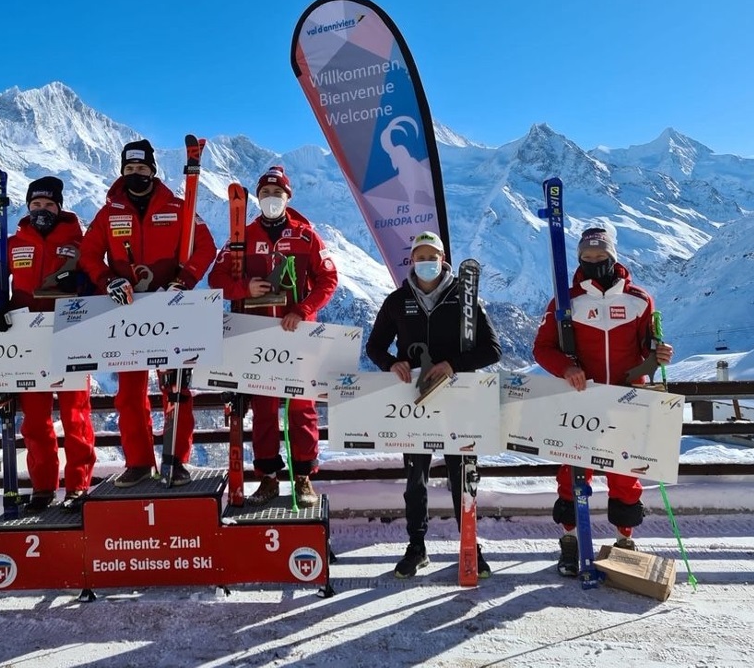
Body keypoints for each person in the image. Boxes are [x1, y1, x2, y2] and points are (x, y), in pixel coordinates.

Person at [532, 226, 675, 576]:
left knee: (626, 473)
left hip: (628, 398)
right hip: (583, 400)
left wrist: (658, 353)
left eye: (601, 257)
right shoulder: (566, 302)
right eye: (587, 258)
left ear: (613, 257)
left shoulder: (639, 299)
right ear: (580, 259)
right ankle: (570, 541)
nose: (594, 262)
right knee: (573, 474)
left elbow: (646, 345)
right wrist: (566, 368)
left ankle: (624, 540)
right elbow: (542, 348)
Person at [365, 231, 502, 579]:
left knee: (463, 476)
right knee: (416, 479)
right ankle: (417, 547)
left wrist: (453, 364)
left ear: (443, 259)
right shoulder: (397, 301)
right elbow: (375, 347)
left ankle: (470, 545)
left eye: (432, 255)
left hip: (458, 401)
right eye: (419, 256)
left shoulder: (463, 298)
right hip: (416, 402)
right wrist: (389, 363)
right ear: (411, 261)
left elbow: (492, 349)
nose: (426, 262)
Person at [78, 139, 216, 487]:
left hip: (172, 306)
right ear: (122, 172)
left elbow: (205, 247)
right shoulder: (109, 213)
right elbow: (89, 255)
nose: (135, 175)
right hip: (127, 311)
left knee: (178, 388)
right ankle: (139, 462)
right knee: (128, 392)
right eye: (129, 170)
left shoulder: (178, 207)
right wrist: (107, 280)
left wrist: (184, 280)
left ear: (152, 171)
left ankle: (176, 459)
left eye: (141, 169)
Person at [207, 166, 339, 509]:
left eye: (277, 194)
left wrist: (304, 310)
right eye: (265, 194)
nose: (271, 200)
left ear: (288, 198)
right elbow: (215, 278)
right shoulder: (242, 236)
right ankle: (267, 478)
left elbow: (328, 280)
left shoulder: (306, 236)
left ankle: (303, 477)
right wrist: (244, 287)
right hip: (258, 335)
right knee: (264, 410)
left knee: (301, 408)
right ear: (257, 199)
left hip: (297, 334)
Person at [0, 176, 96, 511]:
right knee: (35, 420)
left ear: (60, 207)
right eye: (36, 205)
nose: (42, 211)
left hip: (70, 336)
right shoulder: (12, 245)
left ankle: (78, 485)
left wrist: (83, 281)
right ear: (28, 208)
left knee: (76, 417)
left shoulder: (78, 241)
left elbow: (98, 276)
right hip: (26, 341)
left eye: (49, 205)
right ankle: (43, 486)